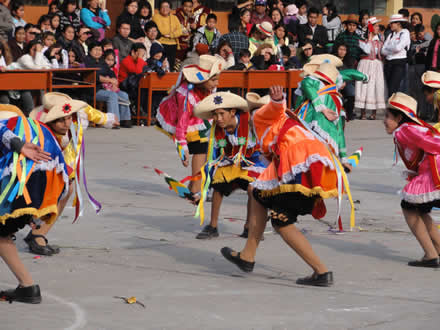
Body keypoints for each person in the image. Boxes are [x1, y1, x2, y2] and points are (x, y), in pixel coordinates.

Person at [220, 85, 338, 287]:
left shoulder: (262, 116)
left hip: (302, 166)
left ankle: (322, 272)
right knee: (259, 194)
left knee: (281, 220)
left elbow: (274, 109)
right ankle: (247, 256)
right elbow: (269, 171)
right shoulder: (278, 127)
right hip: (307, 166)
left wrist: (276, 100)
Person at [26, 92, 114, 256]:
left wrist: (108, 119)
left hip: (65, 166)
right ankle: (35, 232)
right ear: (50, 120)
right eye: (60, 119)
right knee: (56, 193)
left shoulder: (77, 117)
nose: (67, 123)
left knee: (67, 191)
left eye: (69, 117)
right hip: (43, 169)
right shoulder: (42, 134)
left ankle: (38, 233)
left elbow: (92, 113)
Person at [0, 104, 70, 303]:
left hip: (21, 181)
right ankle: (27, 287)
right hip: (43, 186)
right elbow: (67, 182)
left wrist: (18, 144)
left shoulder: (11, 127)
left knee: (1, 234)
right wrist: (37, 213)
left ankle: (28, 286)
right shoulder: (43, 133)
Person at [193, 92, 267, 239]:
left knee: (254, 189)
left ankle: (250, 226)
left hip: (252, 162)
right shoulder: (215, 129)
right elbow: (212, 157)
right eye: (215, 115)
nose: (218, 119)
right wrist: (202, 190)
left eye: (221, 114)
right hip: (230, 162)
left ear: (233, 112)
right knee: (219, 184)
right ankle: (212, 226)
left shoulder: (250, 123)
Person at [383, 92, 440, 268]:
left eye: (387, 116)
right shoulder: (412, 128)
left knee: (408, 207)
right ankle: (435, 249)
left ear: (399, 117)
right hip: (430, 170)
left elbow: (434, 143)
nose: (384, 120)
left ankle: (431, 255)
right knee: (420, 208)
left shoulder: (404, 130)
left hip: (435, 172)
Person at [156, 55, 225, 197]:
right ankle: (195, 188)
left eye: (217, 79)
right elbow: (182, 122)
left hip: (198, 120)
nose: (216, 83)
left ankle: (195, 184)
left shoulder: (208, 88)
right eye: (213, 80)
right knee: (200, 149)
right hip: (180, 120)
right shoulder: (186, 94)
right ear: (202, 79)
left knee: (205, 149)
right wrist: (182, 148)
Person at [355, 17, 386, 120]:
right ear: (370, 27)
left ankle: (374, 113)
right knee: (364, 87)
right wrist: (369, 39)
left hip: (376, 65)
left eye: (378, 26)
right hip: (365, 64)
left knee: (376, 86)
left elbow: (382, 52)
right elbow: (367, 50)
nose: (378, 27)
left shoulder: (380, 39)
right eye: (376, 25)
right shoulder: (363, 39)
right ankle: (363, 113)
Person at [382, 14, 410, 97]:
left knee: (393, 88)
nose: (390, 25)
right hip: (388, 63)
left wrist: (389, 48)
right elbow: (383, 50)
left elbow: (398, 48)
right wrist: (392, 49)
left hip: (399, 63)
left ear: (399, 24)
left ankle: (392, 108)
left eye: (392, 23)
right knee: (387, 88)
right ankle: (389, 108)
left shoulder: (405, 32)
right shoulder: (391, 35)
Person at [153, 0, 182, 71]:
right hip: (161, 43)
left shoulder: (174, 18)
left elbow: (180, 31)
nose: (165, 9)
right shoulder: (156, 17)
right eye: (162, 7)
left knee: (171, 65)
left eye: (167, 7)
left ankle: (168, 81)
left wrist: (170, 35)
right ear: (159, 8)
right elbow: (161, 30)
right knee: (160, 64)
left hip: (173, 44)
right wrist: (170, 33)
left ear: (170, 8)